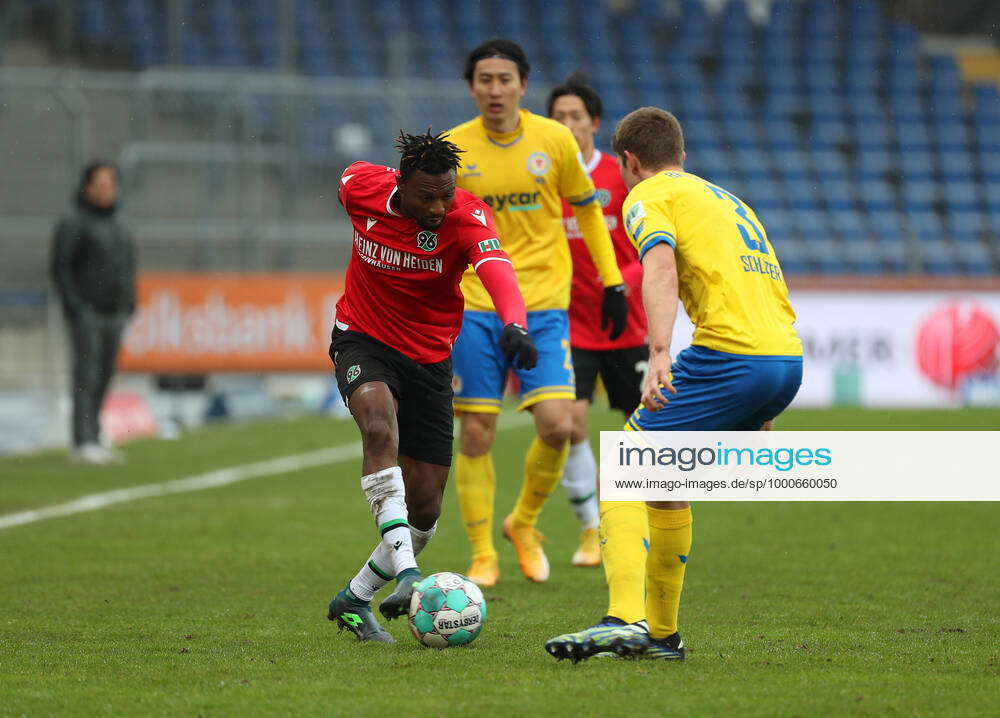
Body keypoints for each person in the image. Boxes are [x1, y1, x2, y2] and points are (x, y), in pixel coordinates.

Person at [545, 107, 803, 662]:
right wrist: (770, 389)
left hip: (732, 356)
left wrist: (659, 351)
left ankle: (622, 618)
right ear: (681, 156)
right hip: (782, 357)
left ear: (629, 162)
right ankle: (663, 637)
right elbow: (772, 281)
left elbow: (658, 269)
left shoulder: (647, 196)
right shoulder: (727, 200)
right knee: (663, 479)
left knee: (627, 465)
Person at [326, 130, 537, 643]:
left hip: (430, 359)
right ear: (401, 185)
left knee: (425, 509)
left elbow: (498, 270)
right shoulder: (359, 186)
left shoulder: (468, 216)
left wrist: (516, 324)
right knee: (379, 424)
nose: (440, 206)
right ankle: (408, 576)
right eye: (428, 196)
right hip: (363, 339)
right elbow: (352, 179)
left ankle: (353, 599)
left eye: (447, 193)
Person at [447, 38, 629, 587]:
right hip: (477, 305)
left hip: (545, 306)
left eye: (505, 80)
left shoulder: (553, 140)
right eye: (485, 80)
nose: (495, 89)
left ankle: (522, 523)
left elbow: (589, 214)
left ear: (523, 86)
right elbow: (434, 229)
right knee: (476, 431)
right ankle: (483, 554)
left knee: (558, 425)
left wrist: (614, 283)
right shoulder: (452, 149)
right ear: (472, 87)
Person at [548, 74, 649, 568]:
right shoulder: (544, 179)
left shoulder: (618, 176)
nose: (567, 125)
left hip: (626, 323)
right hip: (569, 325)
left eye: (575, 117)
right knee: (570, 423)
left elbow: (650, 248)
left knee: (642, 427)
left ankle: (635, 518)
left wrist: (622, 283)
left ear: (594, 123)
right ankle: (592, 529)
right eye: (558, 117)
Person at [50, 161, 136, 465]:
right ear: (87, 186)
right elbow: (61, 267)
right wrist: (75, 305)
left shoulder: (119, 223)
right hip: (87, 310)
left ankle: (97, 436)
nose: (105, 190)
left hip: (115, 310)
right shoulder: (74, 221)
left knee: (105, 374)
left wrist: (129, 302)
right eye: (99, 184)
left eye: (110, 183)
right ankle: (82, 440)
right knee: (85, 375)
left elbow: (126, 266)